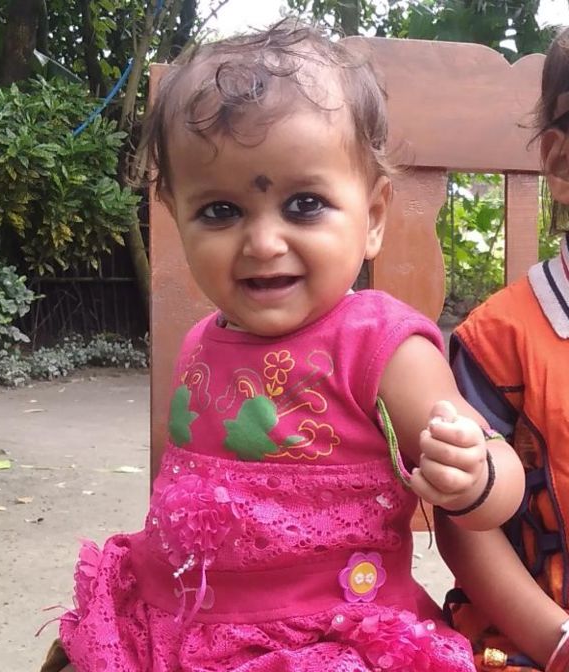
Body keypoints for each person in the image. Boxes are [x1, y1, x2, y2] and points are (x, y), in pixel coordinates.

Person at [40, 20, 525, 672]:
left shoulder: (382, 348)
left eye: (304, 204)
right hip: (176, 629)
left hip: (326, 639)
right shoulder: (199, 343)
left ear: (373, 217)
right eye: (220, 211)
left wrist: (473, 476)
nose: (264, 243)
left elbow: (501, 474)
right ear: (178, 218)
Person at [436, 26, 569, 672]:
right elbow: (464, 523)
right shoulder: (501, 340)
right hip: (531, 641)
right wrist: (556, 642)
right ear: (561, 163)